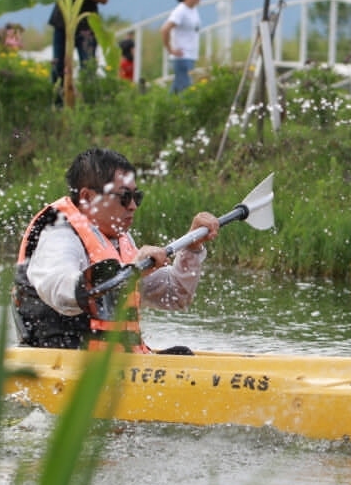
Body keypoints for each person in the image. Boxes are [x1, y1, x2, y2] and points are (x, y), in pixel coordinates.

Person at [13, 147, 219, 353]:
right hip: (64, 364)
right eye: (124, 197)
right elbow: (61, 292)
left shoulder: (117, 238)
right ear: (87, 198)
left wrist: (191, 248)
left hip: (116, 364)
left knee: (181, 354)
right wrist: (128, 272)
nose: (132, 206)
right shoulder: (58, 234)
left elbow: (175, 295)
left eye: (136, 197)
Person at [161, 0, 202, 94]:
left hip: (190, 56)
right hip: (182, 57)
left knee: (177, 90)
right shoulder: (181, 11)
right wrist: (170, 49)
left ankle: (164, 109)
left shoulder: (193, 10)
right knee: (186, 91)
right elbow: (165, 29)